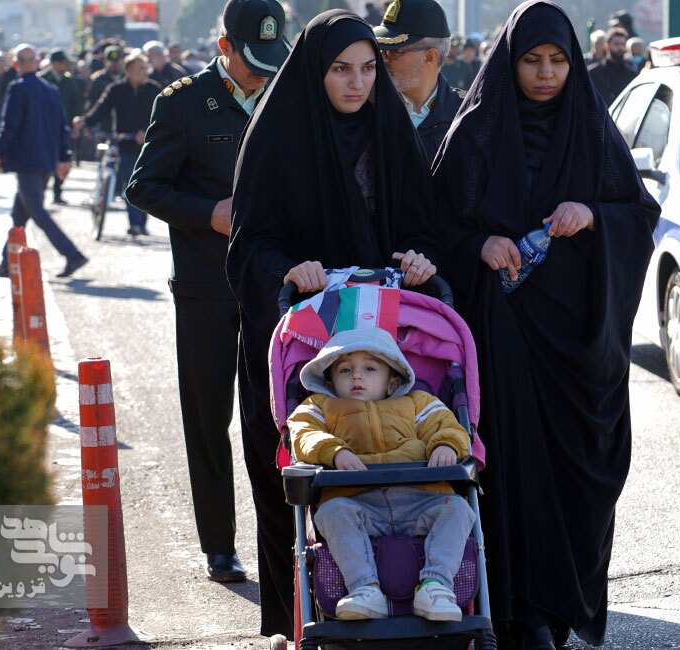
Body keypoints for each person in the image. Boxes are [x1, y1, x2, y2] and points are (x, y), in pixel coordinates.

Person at [431, 2, 660, 648]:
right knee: (511, 472)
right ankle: (517, 611)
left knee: (574, 475)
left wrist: (593, 216)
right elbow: (431, 227)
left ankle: (557, 610)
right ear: (510, 62)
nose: (545, 73)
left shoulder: (591, 132)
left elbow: (637, 213)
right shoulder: (474, 136)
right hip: (500, 331)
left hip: (578, 343)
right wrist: (479, 244)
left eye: (558, 60)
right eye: (531, 60)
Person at [226, 10, 439, 640]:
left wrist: (422, 259)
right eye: (341, 70)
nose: (358, 83)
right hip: (299, 339)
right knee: (300, 473)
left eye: (369, 69)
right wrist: (289, 270)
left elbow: (427, 226)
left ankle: (400, 606)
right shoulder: (277, 137)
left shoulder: (389, 130)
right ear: (315, 72)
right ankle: (297, 618)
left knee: (393, 468)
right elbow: (248, 246)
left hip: (387, 340)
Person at [126, 0, 289, 585]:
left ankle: (286, 542)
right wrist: (207, 213)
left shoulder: (285, 94)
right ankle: (220, 544)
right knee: (208, 416)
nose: (263, 73)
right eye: (253, 62)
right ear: (224, 48)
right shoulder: (183, 103)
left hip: (271, 287)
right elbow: (144, 187)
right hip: (205, 287)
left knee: (277, 416)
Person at [288, 328, 473, 622]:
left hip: (419, 499)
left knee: (459, 509)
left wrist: (446, 445)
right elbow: (303, 434)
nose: (356, 376)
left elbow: (447, 425)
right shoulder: (319, 407)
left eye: (370, 369)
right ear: (330, 381)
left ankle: (435, 585)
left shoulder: (417, 403)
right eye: (345, 370)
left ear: (392, 381)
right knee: (331, 512)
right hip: (356, 501)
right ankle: (364, 589)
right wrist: (334, 452)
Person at [0, 44, 88, 279]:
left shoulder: (18, 87)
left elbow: (9, 125)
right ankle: (8, 261)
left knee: (36, 211)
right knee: (19, 214)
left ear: (16, 63)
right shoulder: (50, 89)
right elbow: (62, 126)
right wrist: (63, 157)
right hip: (45, 159)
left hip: (27, 160)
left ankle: (72, 254)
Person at [75, 53, 161, 237]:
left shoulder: (153, 89)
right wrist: (85, 121)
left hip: (149, 145)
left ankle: (141, 221)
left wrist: (146, 131)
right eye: (140, 68)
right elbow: (101, 109)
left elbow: (163, 116)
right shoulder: (116, 90)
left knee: (146, 183)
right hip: (125, 143)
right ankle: (135, 224)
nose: (144, 71)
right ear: (128, 70)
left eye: (145, 68)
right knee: (131, 182)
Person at [373, 0, 465, 163]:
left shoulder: (468, 114)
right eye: (381, 51)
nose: (384, 60)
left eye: (394, 52)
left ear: (429, 57)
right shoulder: (368, 107)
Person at [38, 50, 82, 205]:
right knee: (44, 160)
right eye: (63, 63)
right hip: (45, 127)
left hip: (64, 127)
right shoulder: (42, 79)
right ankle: (40, 192)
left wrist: (75, 125)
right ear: (55, 63)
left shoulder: (69, 81)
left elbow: (76, 105)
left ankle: (57, 191)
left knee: (63, 158)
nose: (66, 66)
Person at [587, 27, 636, 107]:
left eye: (623, 44)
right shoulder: (593, 73)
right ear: (606, 46)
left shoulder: (631, 75)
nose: (620, 48)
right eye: (616, 44)